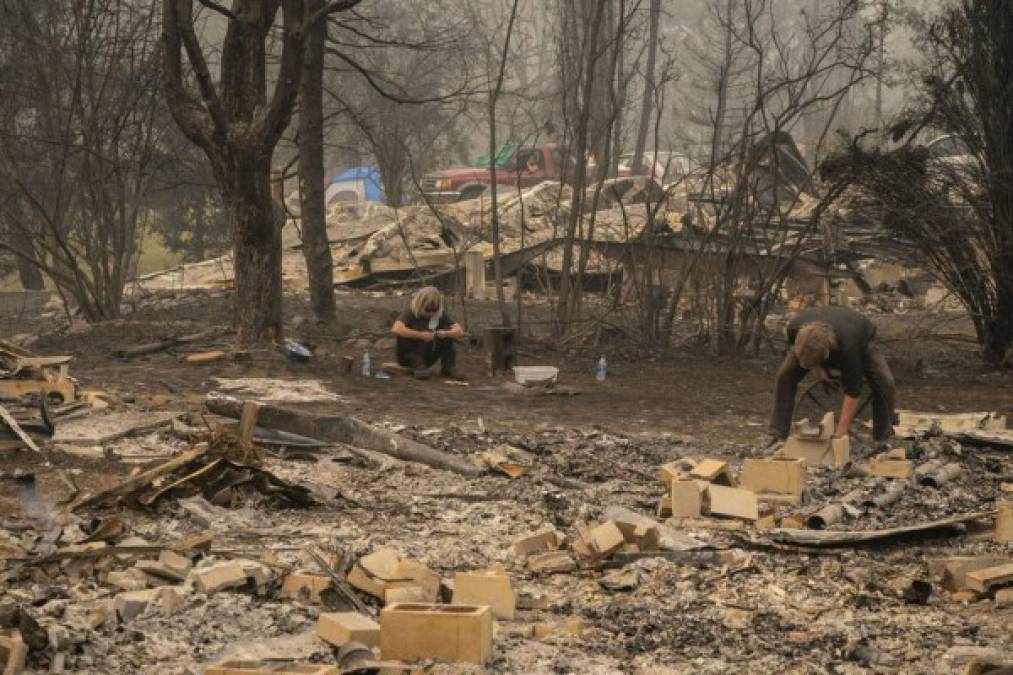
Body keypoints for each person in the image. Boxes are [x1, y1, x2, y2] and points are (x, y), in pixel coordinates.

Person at [769, 306, 895, 443]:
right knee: (785, 375)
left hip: (860, 337)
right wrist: (819, 368)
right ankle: (777, 434)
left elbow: (853, 391)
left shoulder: (850, 349)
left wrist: (841, 430)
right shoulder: (794, 328)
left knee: (886, 382)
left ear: (826, 354)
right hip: (816, 339)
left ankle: (882, 437)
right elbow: (804, 352)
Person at [391, 286, 463, 379]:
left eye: (434, 310)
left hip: (428, 354)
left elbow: (459, 330)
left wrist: (445, 333)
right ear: (421, 305)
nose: (431, 313)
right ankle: (417, 365)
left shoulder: (439, 315)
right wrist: (420, 335)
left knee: (448, 336)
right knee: (404, 335)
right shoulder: (410, 313)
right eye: (427, 310)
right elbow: (396, 329)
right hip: (409, 356)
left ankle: (448, 367)